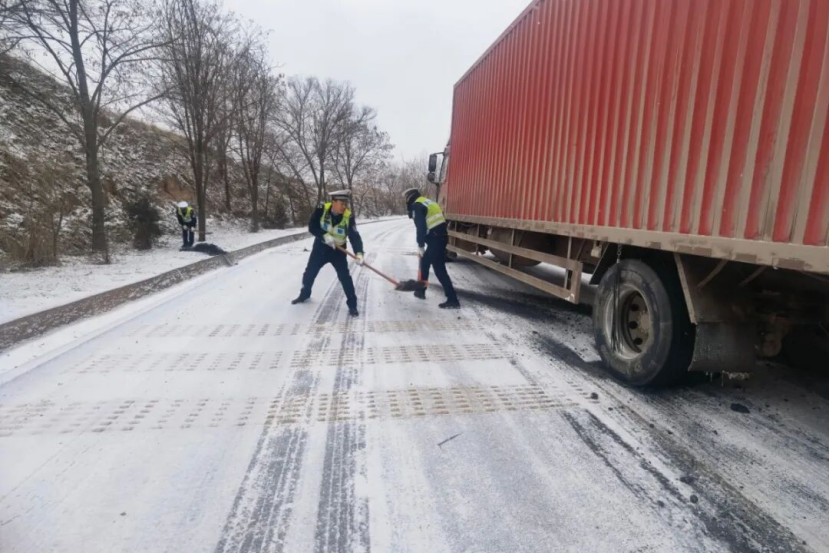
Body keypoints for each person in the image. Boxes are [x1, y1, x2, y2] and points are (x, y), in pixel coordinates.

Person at [292, 190, 365, 317]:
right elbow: (312, 226)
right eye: (342, 203)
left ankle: (352, 305)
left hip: (338, 251)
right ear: (333, 202)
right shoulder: (322, 209)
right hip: (320, 248)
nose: (344, 206)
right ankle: (304, 295)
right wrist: (324, 235)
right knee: (310, 272)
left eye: (346, 204)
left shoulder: (348, 216)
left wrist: (359, 253)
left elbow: (354, 237)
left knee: (345, 277)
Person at [404, 188, 460, 309]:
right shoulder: (428, 202)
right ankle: (422, 291)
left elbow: (421, 228)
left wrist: (420, 245)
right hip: (441, 238)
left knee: (435, 268)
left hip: (436, 240)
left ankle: (452, 299)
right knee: (432, 267)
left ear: (409, 198)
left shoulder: (417, 205)